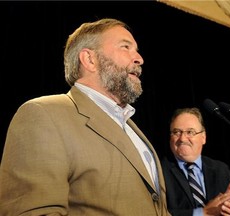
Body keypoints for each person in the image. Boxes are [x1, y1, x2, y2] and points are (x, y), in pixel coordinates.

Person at [0, 18, 171, 216]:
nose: (139, 58)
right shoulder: (43, 114)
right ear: (90, 60)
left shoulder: (133, 129)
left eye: (136, 49)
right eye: (126, 47)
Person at [161, 107, 230, 216]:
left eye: (190, 132)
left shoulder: (221, 169)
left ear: (203, 137)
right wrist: (203, 213)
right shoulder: (159, 171)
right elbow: (156, 213)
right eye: (176, 132)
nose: (182, 138)